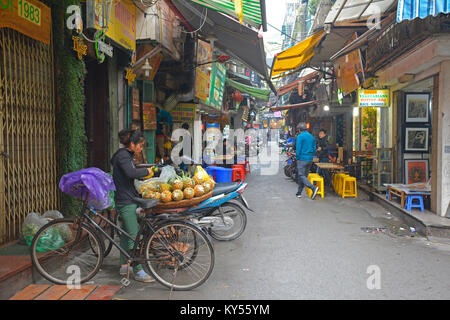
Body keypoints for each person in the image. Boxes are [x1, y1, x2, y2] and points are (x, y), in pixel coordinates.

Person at [111, 130, 155, 283]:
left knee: (126, 234)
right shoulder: (122, 156)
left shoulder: (126, 156)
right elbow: (130, 173)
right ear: (132, 144)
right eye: (140, 146)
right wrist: (146, 171)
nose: (141, 149)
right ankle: (138, 270)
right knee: (133, 236)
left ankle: (125, 266)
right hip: (125, 201)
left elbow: (129, 173)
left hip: (129, 198)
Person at [295, 122, 319, 199]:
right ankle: (299, 192)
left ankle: (313, 188)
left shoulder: (300, 136)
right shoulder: (311, 137)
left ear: (299, 129)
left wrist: (297, 157)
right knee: (303, 176)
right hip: (310, 159)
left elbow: (298, 148)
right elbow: (314, 148)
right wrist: (311, 155)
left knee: (301, 175)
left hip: (302, 158)